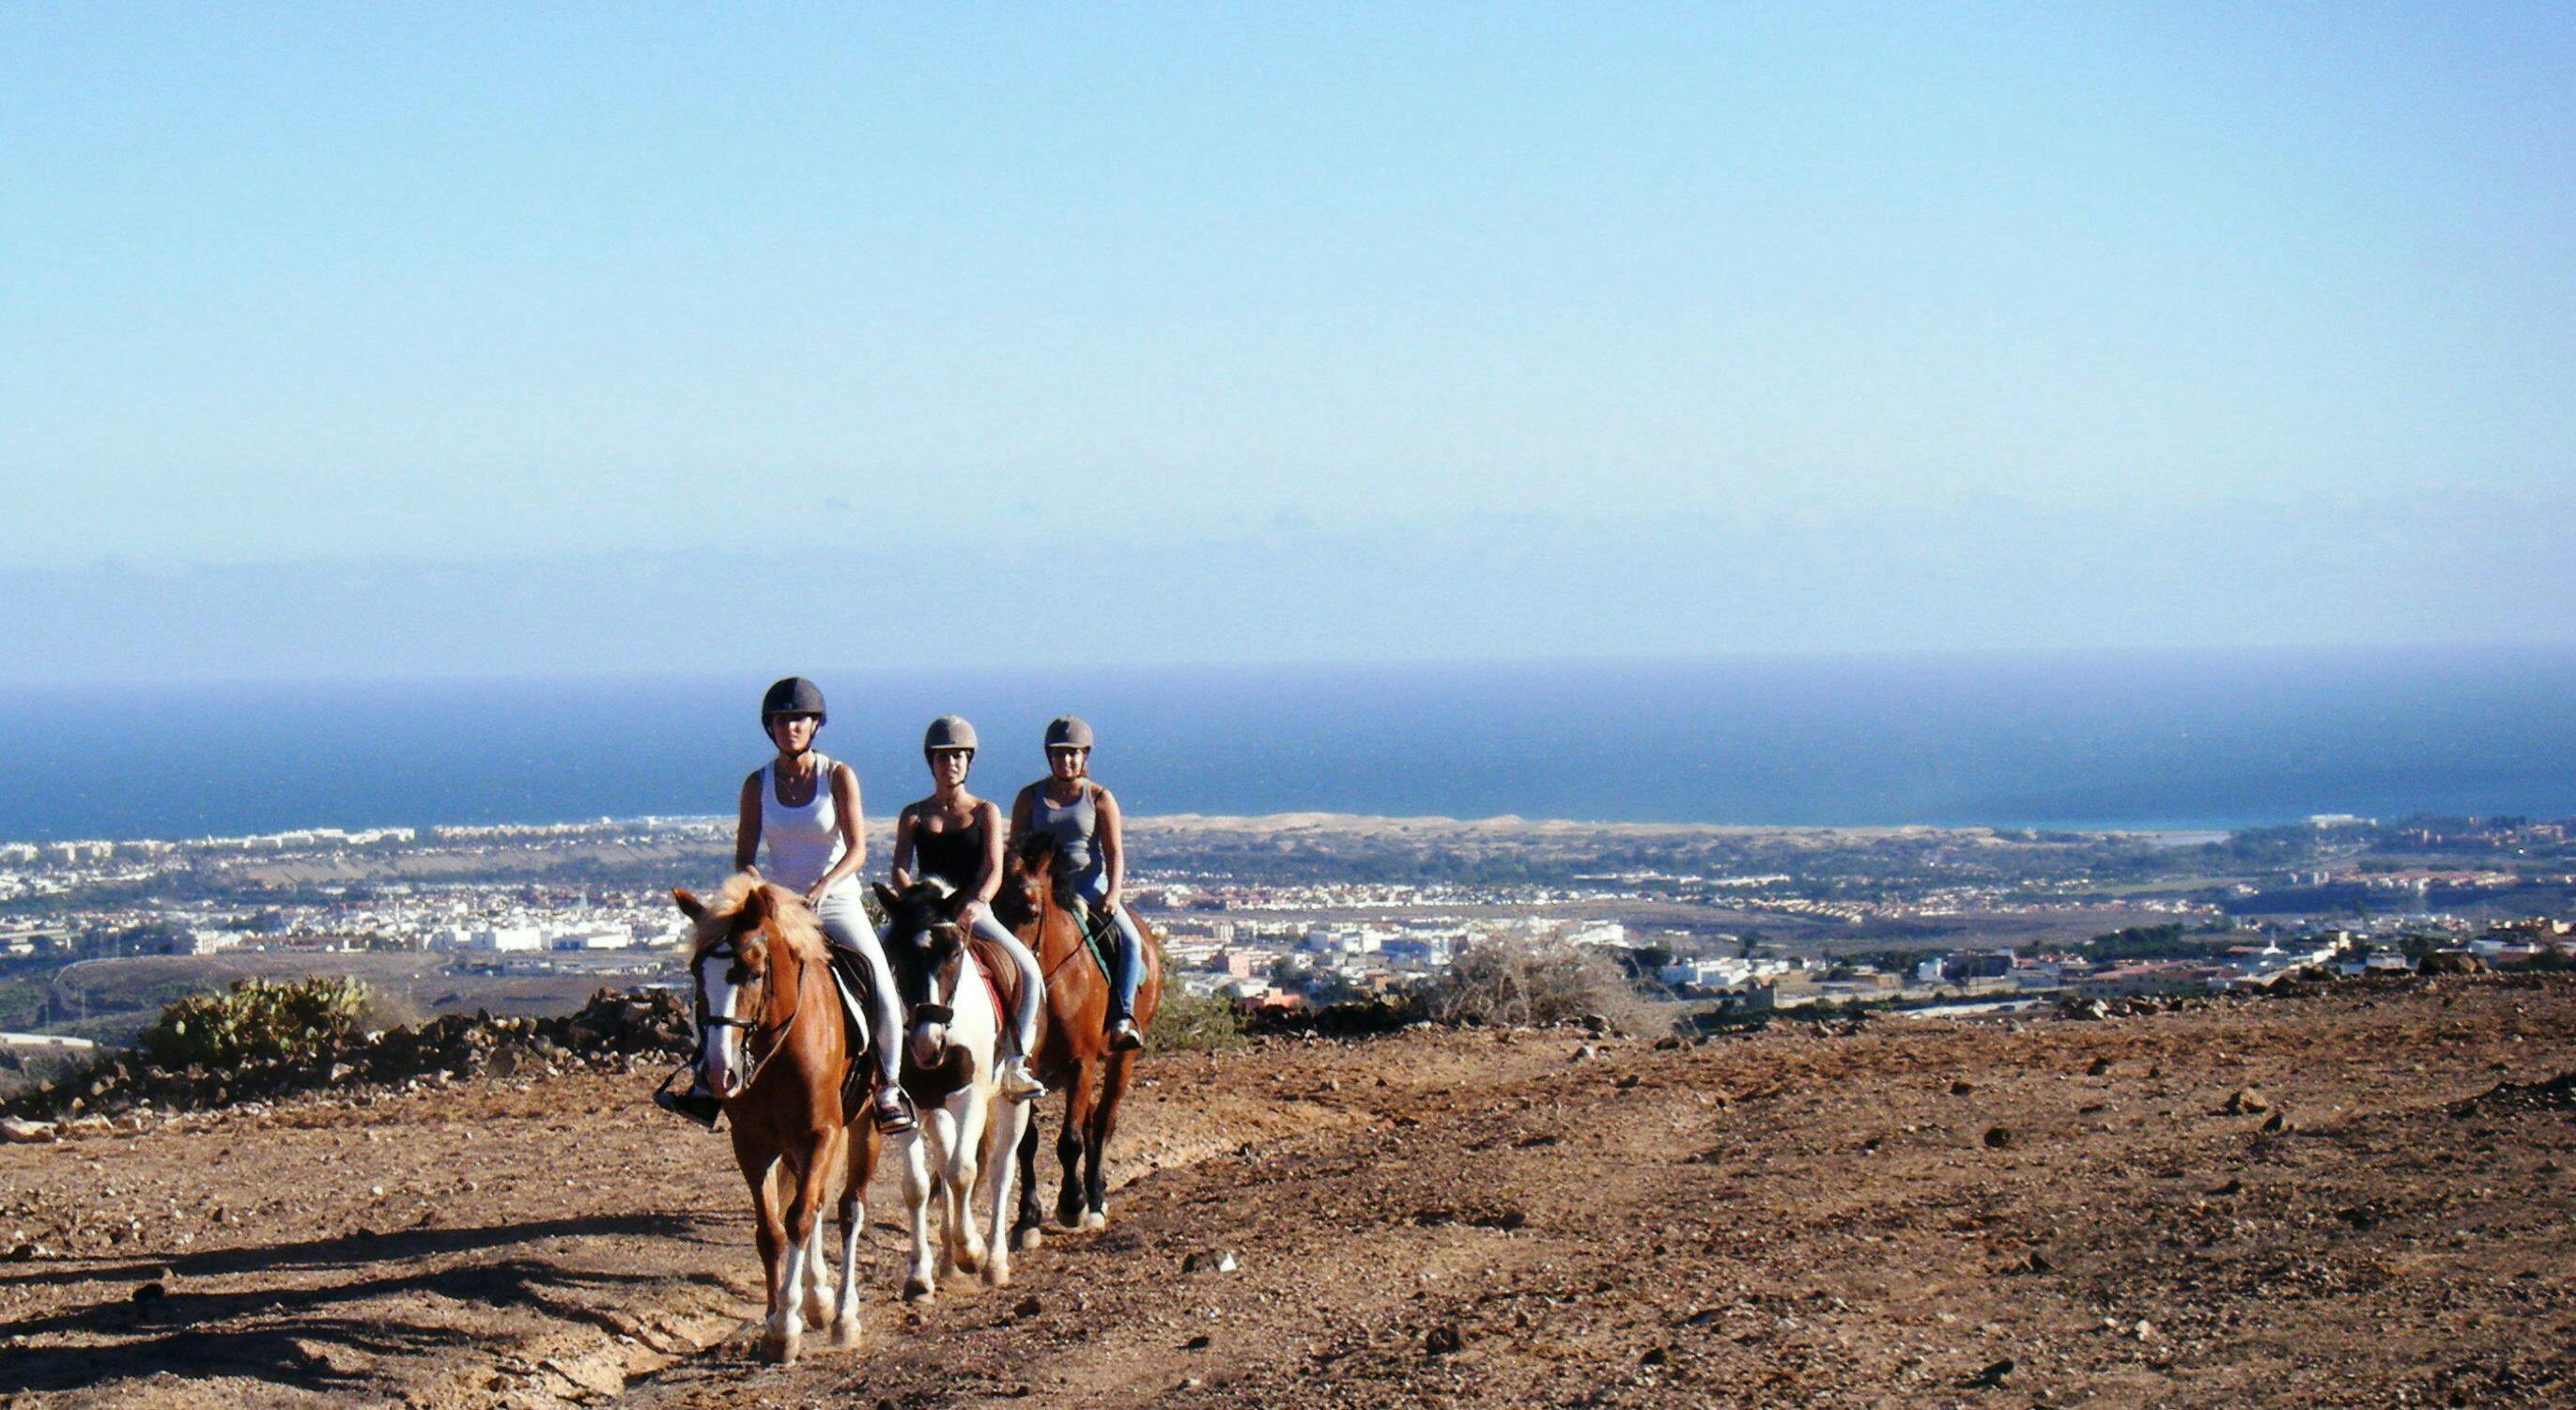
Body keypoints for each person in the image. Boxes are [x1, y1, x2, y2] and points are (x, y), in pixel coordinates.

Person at [657, 677, 916, 1133]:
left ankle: (890, 1088)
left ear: (814, 725)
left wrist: (823, 886)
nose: (790, 727)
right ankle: (704, 1083)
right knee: (721, 976)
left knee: (879, 984)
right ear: (770, 728)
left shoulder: (837, 776)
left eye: (798, 719)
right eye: (781, 720)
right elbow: (744, 857)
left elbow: (857, 850)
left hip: (835, 901)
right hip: (778, 905)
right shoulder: (757, 784)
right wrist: (764, 891)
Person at [889, 715, 1048, 1101]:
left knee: (1028, 970)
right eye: (943, 757)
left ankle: (1016, 1062)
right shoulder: (914, 813)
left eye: (959, 756)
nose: (951, 764)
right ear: (932, 763)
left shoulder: (985, 812)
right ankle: (879, 1064)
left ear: (969, 761)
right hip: (926, 915)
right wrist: (913, 900)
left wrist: (978, 903)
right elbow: (898, 868)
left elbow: (994, 869)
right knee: (875, 965)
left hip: (970, 911)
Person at [1010, 715, 1147, 1051]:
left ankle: (1122, 1017)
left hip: (1087, 886)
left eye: (1072, 753)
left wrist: (1113, 893)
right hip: (1042, 891)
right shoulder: (1030, 797)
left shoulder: (1099, 798)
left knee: (1129, 940)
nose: (1066, 760)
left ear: (1084, 756)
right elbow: (1016, 849)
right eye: (1059, 754)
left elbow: (1114, 852)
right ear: (1049, 757)